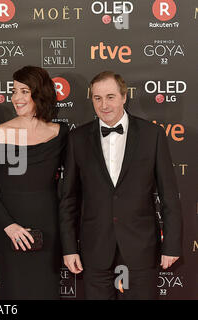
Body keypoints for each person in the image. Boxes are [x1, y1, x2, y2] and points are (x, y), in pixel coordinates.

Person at [59, 71, 182, 299]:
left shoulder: (151, 135)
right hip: (95, 248)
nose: (104, 105)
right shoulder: (77, 138)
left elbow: (169, 195)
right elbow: (69, 199)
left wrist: (172, 245)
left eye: (110, 97)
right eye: (97, 98)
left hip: (141, 246)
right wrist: (68, 248)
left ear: (124, 97)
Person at [0, 66, 68, 299]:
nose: (16, 98)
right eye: (14, 91)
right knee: (15, 290)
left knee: (47, 290)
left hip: (49, 225)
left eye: (24, 91)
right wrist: (9, 226)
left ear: (40, 93)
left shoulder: (60, 134)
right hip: (10, 226)